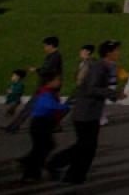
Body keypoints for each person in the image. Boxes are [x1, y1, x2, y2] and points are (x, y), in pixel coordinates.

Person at [47, 39, 121, 184]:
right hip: (85, 113)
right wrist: (113, 94)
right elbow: (91, 88)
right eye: (116, 50)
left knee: (87, 146)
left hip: (90, 112)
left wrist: (113, 94)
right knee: (85, 146)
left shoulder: (105, 66)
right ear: (109, 53)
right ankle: (57, 164)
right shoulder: (98, 67)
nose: (119, 53)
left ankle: (74, 175)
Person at [20, 78, 67, 181]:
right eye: (56, 80)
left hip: (44, 123)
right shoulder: (45, 92)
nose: (60, 82)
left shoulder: (50, 92)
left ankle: (29, 167)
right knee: (43, 147)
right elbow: (49, 105)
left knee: (44, 146)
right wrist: (64, 106)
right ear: (49, 81)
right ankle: (30, 170)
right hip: (40, 123)